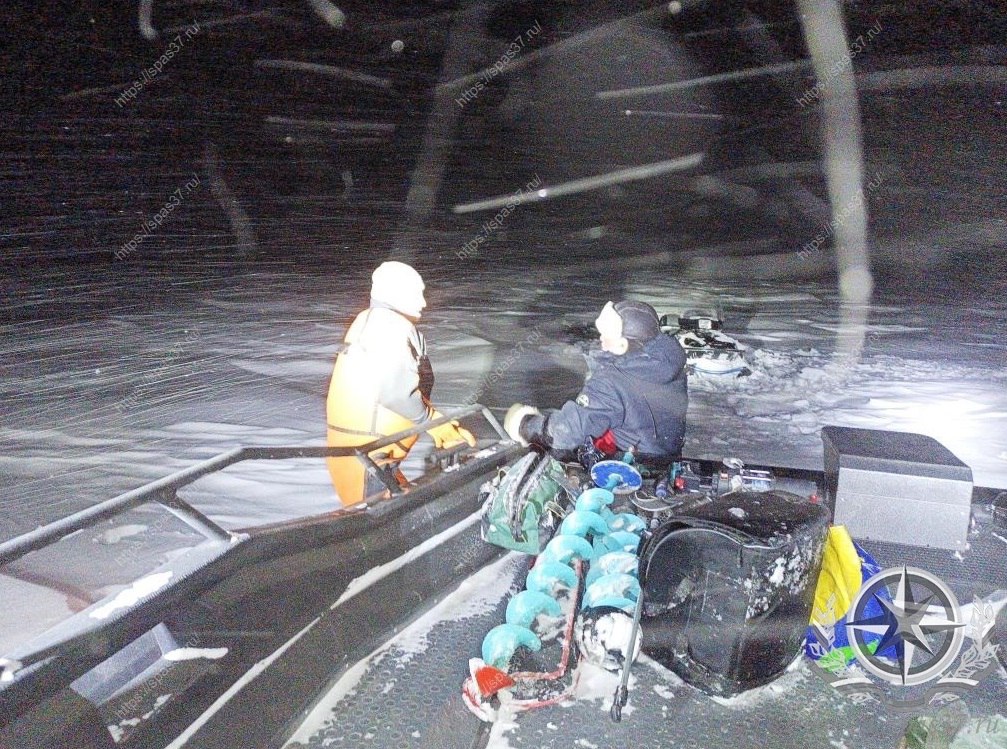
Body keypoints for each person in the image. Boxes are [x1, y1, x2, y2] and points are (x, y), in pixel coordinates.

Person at [326, 261, 475, 505]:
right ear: (396, 294)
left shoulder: (377, 323)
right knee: (382, 532)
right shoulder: (386, 327)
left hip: (373, 457)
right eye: (417, 295)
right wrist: (434, 423)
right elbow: (395, 392)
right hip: (367, 461)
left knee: (396, 517)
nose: (424, 303)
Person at [504, 300, 687, 466]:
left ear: (622, 345)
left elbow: (570, 430)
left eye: (606, 337)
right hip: (666, 452)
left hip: (635, 463)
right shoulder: (666, 360)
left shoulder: (611, 382)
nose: (600, 339)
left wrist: (527, 426)